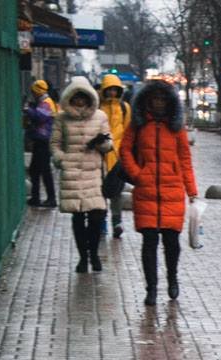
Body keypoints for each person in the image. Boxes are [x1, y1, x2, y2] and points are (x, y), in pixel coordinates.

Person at [121, 80, 197, 306]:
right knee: (149, 242)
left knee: (172, 242)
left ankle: (172, 278)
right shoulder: (138, 125)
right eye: (154, 98)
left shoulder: (176, 128)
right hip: (146, 191)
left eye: (163, 99)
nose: (158, 103)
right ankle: (151, 288)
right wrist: (137, 174)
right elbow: (125, 149)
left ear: (169, 102)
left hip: (172, 191)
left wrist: (191, 190)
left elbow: (185, 159)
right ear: (147, 100)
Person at [50, 77, 112, 273]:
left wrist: (101, 143)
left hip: (93, 173)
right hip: (73, 173)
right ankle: (82, 258)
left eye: (83, 98)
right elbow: (55, 144)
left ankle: (93, 253)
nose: (79, 101)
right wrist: (62, 160)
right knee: (77, 218)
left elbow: (109, 145)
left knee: (96, 217)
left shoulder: (100, 117)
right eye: (76, 97)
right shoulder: (61, 118)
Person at [99, 74, 131, 239]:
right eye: (109, 89)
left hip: (118, 156)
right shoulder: (97, 107)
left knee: (116, 191)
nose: (112, 93)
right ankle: (102, 221)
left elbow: (127, 131)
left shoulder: (124, 108)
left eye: (115, 90)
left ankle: (116, 222)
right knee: (100, 191)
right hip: (100, 156)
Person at [25, 79, 57, 207]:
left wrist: (28, 109)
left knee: (44, 170)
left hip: (44, 140)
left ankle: (51, 198)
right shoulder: (43, 102)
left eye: (34, 91)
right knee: (35, 170)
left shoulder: (46, 103)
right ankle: (36, 197)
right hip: (41, 140)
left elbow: (40, 117)